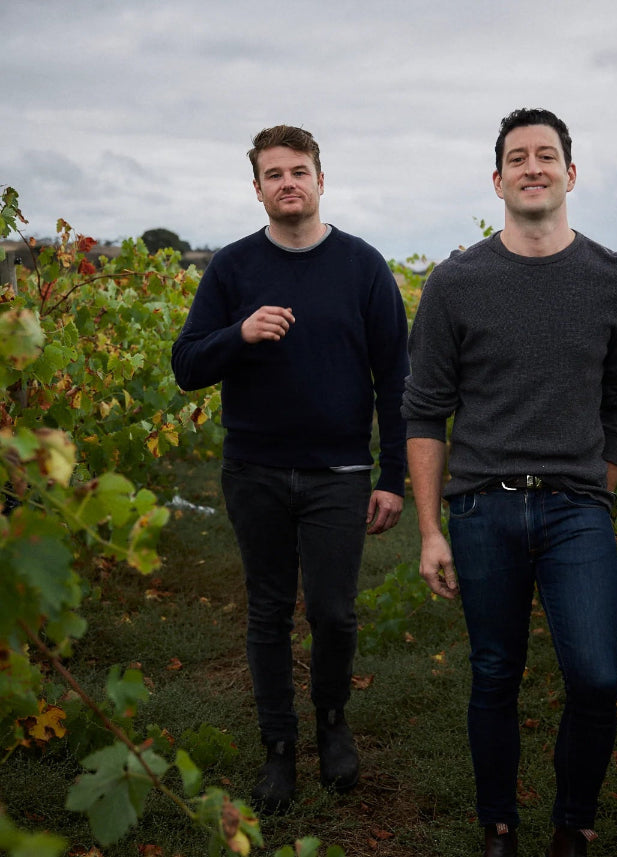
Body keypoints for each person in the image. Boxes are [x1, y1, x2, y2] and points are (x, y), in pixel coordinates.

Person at [402, 108, 617, 857]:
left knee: (597, 677)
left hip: (577, 511)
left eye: (548, 156)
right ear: (498, 178)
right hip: (482, 508)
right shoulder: (456, 283)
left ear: (571, 175)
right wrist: (432, 528)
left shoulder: (615, 281)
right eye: (518, 157)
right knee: (494, 673)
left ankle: (573, 822)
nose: (533, 167)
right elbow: (424, 411)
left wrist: (592, 488)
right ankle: (499, 823)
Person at [172, 124, 408, 815]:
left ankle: (331, 720)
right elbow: (187, 365)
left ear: (321, 179)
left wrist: (392, 475)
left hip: (339, 471)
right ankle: (279, 745)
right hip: (255, 470)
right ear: (257, 189)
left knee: (334, 612)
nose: (288, 183)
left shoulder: (363, 266)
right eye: (273, 174)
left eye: (298, 171)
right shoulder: (233, 269)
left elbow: (396, 376)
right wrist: (237, 335)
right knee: (269, 611)